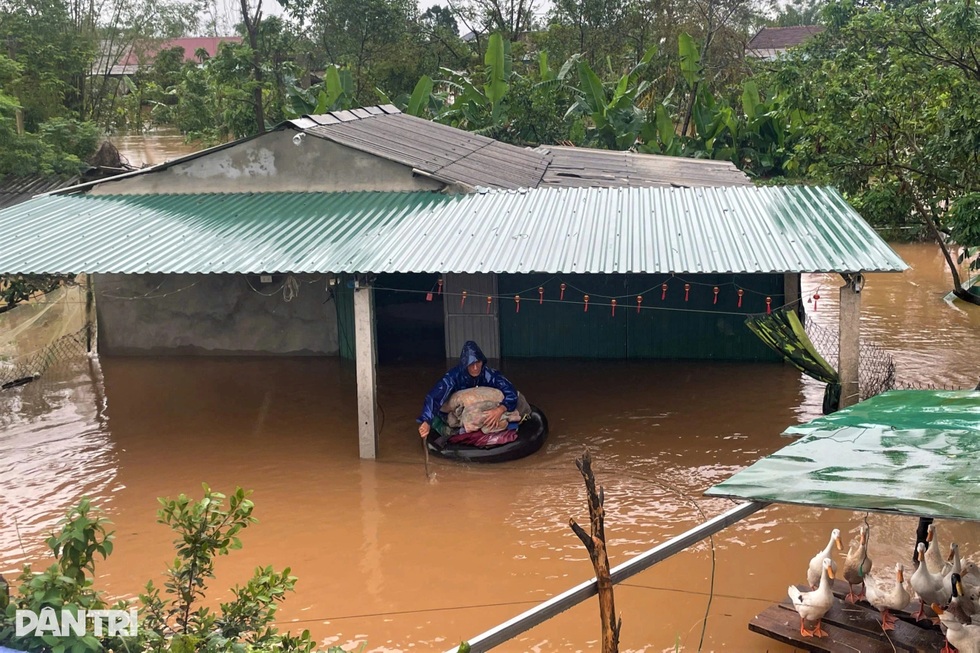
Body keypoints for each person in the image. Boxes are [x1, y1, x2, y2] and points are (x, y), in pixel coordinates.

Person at [417, 341, 519, 438]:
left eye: (478, 362)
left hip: (475, 407)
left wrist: (499, 410)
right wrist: (426, 421)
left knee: (498, 402)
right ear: (465, 364)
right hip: (455, 409)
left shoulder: (488, 374)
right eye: (471, 364)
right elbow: (434, 397)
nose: (475, 368)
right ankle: (450, 427)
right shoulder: (453, 376)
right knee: (453, 417)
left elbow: (510, 391)